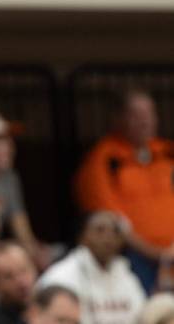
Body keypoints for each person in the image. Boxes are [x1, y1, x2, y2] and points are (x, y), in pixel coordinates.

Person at [74, 89, 174, 294]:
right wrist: (158, 253)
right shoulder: (104, 159)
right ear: (118, 119)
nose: (144, 121)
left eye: (149, 114)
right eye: (136, 115)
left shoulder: (167, 152)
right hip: (136, 257)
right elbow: (112, 221)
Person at [0, 109, 48, 267]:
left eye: (8, 139)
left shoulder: (10, 179)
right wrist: (11, 250)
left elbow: (21, 228)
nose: (10, 146)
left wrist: (35, 251)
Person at [37, 211, 146, 324]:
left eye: (115, 232)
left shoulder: (127, 275)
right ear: (82, 238)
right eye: (100, 230)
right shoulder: (60, 276)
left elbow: (142, 316)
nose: (108, 237)